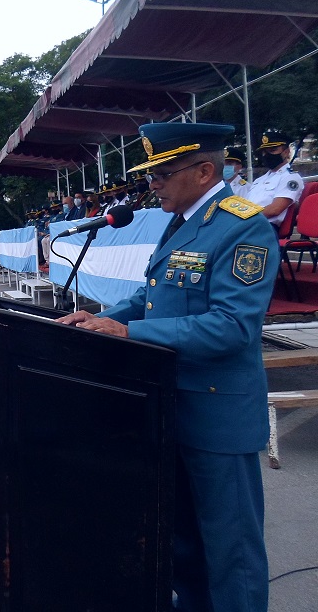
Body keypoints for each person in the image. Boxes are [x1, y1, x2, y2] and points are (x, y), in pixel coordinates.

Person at [58, 122, 276, 612]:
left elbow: (231, 326)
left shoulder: (243, 226)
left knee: (231, 551)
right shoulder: (179, 223)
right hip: (168, 406)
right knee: (182, 543)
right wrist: (98, 319)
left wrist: (130, 333)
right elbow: (151, 298)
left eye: (162, 173)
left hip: (217, 415)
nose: (152, 183)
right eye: (151, 173)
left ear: (204, 171)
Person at [246, 129, 304, 229]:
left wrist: (245, 216)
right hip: (249, 225)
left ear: (286, 152)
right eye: (265, 152)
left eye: (273, 150)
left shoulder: (291, 178)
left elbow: (274, 209)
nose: (267, 155)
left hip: (265, 228)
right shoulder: (259, 181)